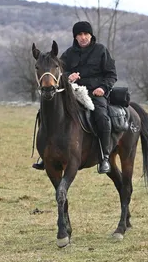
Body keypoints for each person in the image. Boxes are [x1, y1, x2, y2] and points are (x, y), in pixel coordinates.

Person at [33, 21, 117, 174]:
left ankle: (104, 157)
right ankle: (46, 154)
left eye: (86, 34)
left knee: (102, 117)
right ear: (75, 37)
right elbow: (58, 74)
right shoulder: (68, 54)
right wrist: (68, 77)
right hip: (73, 91)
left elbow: (111, 75)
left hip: (95, 94)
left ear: (91, 35)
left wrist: (103, 88)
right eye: (80, 35)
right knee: (48, 113)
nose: (83, 37)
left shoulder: (101, 51)